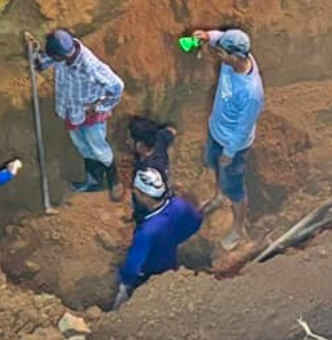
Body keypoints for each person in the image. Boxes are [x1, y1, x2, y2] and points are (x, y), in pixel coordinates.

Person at [25, 28, 125, 201]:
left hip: (90, 115)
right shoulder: (65, 53)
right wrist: (33, 51)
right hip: (71, 111)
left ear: (60, 56)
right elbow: (42, 64)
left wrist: (100, 106)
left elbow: (117, 86)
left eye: (54, 57)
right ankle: (94, 180)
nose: (53, 60)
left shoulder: (89, 67)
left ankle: (113, 180)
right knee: (83, 147)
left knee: (99, 149)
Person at [191, 27, 264, 250]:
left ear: (235, 56)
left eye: (221, 52)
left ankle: (238, 229)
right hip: (216, 132)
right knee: (213, 164)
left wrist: (230, 153)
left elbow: (244, 127)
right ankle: (219, 196)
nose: (216, 54)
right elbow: (218, 38)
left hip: (234, 145)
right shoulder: (233, 57)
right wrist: (207, 36)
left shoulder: (251, 92)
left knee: (236, 189)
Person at [112, 168, 203, 309]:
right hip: (170, 262)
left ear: (144, 195)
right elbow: (196, 220)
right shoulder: (179, 204)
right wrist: (176, 238)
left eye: (136, 190)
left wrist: (123, 287)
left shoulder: (147, 231)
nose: (133, 192)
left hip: (150, 273)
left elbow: (132, 268)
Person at [128, 116, 178, 223]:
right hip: (164, 191)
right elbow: (172, 131)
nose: (127, 142)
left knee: (143, 214)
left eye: (130, 139)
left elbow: (146, 198)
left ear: (140, 146)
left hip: (151, 201)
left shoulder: (147, 171)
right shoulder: (159, 137)